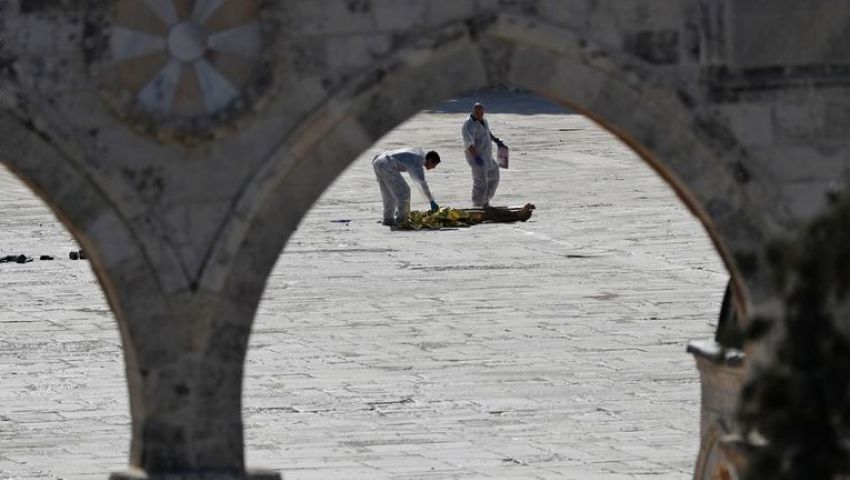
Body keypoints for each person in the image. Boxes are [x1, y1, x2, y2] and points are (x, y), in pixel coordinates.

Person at [372, 148, 441, 226]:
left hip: (377, 161)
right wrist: (431, 201)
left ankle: (388, 219)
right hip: (387, 164)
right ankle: (402, 220)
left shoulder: (416, 154)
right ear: (430, 160)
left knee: (388, 194)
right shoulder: (418, 160)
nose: (434, 167)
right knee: (404, 192)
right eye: (434, 165)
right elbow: (422, 183)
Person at [462, 102, 507, 208]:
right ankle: (477, 206)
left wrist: (495, 140)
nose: (480, 115)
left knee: (494, 176)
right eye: (477, 113)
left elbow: (487, 132)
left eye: (481, 113)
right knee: (480, 183)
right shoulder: (468, 125)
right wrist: (476, 157)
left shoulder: (484, 121)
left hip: (487, 155)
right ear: (473, 112)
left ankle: (485, 201)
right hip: (476, 157)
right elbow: (468, 143)